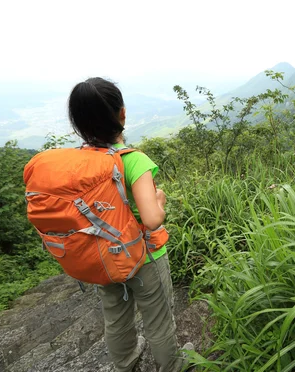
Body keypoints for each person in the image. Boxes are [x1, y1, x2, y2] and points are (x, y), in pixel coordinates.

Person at [67, 77, 193, 372]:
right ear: (121, 114)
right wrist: (159, 201)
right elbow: (150, 219)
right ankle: (171, 365)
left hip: (103, 258)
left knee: (115, 318)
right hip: (144, 257)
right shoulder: (133, 160)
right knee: (158, 317)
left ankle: (126, 363)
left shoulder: (78, 164)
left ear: (78, 124)